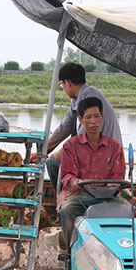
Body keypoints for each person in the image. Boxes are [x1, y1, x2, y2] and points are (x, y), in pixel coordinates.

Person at [31, 62, 122, 190]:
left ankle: (68, 197)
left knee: (54, 163)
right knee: (55, 161)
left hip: (105, 154)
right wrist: (42, 152)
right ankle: (69, 194)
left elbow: (84, 136)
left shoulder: (90, 96)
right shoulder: (77, 100)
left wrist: (59, 153)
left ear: (68, 83)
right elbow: (64, 128)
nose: (63, 88)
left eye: (61, 85)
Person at [57, 97, 127, 250]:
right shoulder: (70, 146)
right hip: (79, 195)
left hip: (107, 196)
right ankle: (71, 253)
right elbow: (67, 176)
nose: (93, 121)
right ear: (81, 120)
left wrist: (111, 187)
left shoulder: (114, 147)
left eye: (96, 116)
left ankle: (122, 250)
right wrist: (76, 182)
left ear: (102, 117)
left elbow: (118, 176)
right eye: (88, 117)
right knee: (67, 210)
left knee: (132, 212)